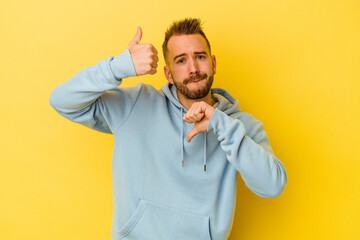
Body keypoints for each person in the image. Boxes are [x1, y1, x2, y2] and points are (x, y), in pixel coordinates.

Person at [49, 18, 287, 240]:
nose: (193, 68)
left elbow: (272, 185)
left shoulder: (239, 125)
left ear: (213, 63)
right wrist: (118, 68)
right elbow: (62, 101)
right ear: (168, 74)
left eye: (200, 57)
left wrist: (219, 123)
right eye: (181, 60)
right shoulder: (136, 105)